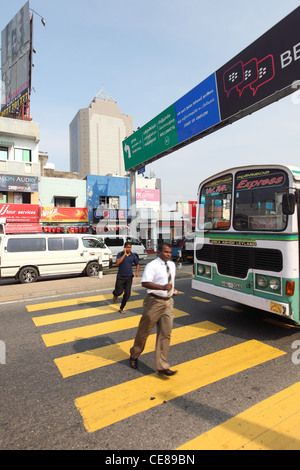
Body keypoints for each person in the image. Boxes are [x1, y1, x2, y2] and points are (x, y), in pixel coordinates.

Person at [129, 243, 178, 376]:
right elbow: (145, 282)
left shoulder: (172, 265)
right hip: (154, 302)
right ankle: (134, 354)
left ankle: (162, 366)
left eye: (170, 252)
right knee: (144, 332)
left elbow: (170, 282)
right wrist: (162, 288)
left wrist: (172, 290)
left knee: (165, 334)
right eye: (166, 252)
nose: (169, 254)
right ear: (159, 252)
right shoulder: (152, 265)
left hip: (168, 303)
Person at [112, 242, 140, 314]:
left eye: (130, 247)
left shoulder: (133, 255)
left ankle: (121, 308)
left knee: (127, 294)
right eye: (127, 247)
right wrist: (124, 254)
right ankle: (115, 294)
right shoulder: (120, 254)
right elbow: (117, 262)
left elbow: (137, 264)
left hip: (129, 277)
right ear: (124, 247)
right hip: (120, 276)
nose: (129, 249)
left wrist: (137, 272)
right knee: (119, 292)